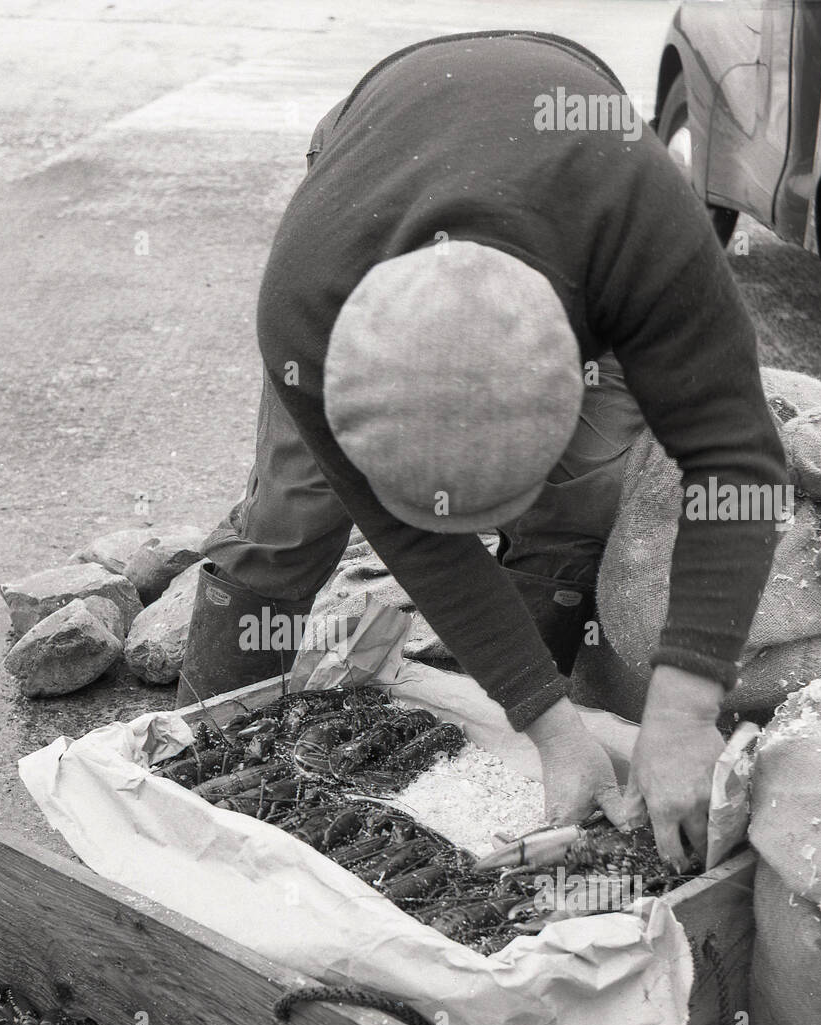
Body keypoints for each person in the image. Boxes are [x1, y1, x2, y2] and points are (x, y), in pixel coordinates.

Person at [179, 31, 786, 869]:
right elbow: (412, 540)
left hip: (574, 181)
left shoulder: (644, 234)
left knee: (580, 502)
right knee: (292, 517)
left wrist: (682, 708)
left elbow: (739, 465)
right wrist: (545, 713)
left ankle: (532, 727)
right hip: (372, 161)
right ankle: (193, 769)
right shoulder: (304, 307)